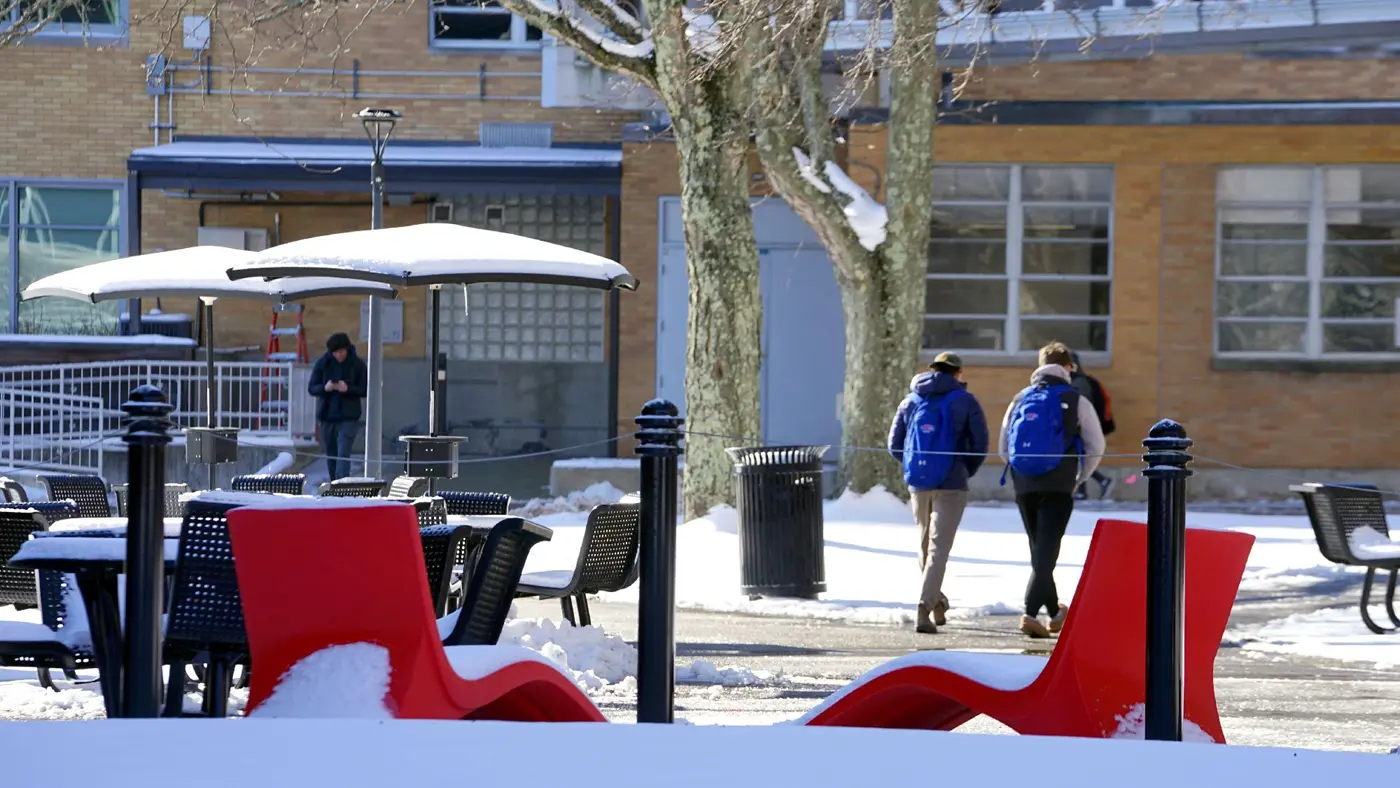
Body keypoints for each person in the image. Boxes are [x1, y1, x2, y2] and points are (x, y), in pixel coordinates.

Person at [998, 342, 1105, 639]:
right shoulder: (1075, 398)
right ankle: (1030, 614)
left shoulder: (1021, 397)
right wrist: (1080, 476)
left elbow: (1004, 445)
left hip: (1024, 482)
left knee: (1039, 550)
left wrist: (1020, 470)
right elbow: (1096, 445)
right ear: (1068, 367)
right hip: (1059, 483)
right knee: (1047, 551)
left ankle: (1055, 614)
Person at [888, 351, 990, 635]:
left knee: (924, 545)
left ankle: (937, 601)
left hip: (919, 482)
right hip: (952, 483)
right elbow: (980, 443)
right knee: (938, 549)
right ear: (957, 373)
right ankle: (924, 608)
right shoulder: (965, 400)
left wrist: (916, 467)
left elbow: (894, 444)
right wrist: (961, 469)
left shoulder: (910, 400)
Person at [308, 332, 367, 481]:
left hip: (348, 416)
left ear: (347, 349)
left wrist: (348, 388)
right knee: (331, 453)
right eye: (334, 352)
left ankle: (342, 484)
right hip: (327, 415)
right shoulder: (323, 363)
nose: (338, 355)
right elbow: (312, 388)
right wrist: (325, 388)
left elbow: (365, 389)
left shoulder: (357, 364)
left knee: (343, 452)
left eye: (340, 352)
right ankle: (334, 482)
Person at [1069, 350, 1116, 500]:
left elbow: (1081, 406)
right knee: (1079, 456)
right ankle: (1096, 483)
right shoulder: (1078, 380)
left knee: (1079, 456)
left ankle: (1091, 486)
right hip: (1084, 425)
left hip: (1082, 426)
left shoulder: (1079, 382)